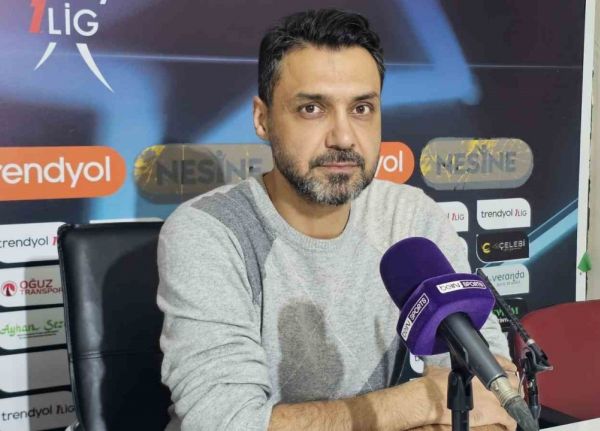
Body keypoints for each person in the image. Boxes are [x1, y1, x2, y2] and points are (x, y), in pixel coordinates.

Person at [157, 8, 518, 431]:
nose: (344, 137)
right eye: (312, 108)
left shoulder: (411, 215)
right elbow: (225, 423)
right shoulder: (208, 230)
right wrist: (420, 401)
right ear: (262, 119)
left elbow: (494, 389)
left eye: (362, 108)